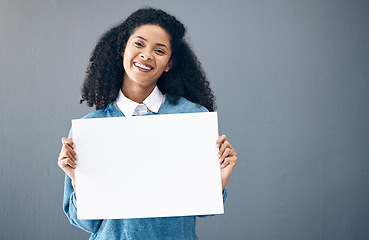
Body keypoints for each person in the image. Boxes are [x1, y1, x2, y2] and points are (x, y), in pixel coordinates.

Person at [58, 7, 238, 240]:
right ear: (123, 48)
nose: (146, 55)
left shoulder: (190, 118)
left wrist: (219, 180)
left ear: (169, 63)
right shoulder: (91, 128)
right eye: (139, 44)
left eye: (159, 50)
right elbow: (88, 224)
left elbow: (201, 210)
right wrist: (77, 177)